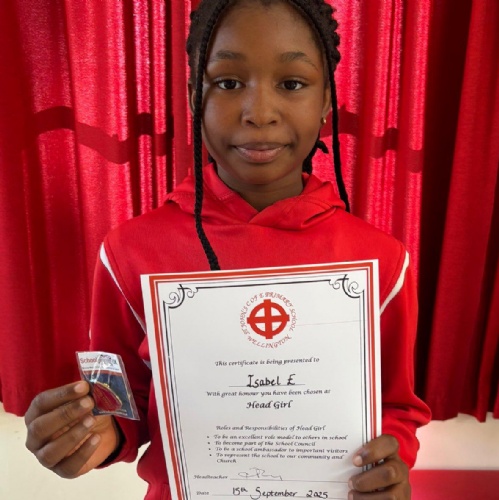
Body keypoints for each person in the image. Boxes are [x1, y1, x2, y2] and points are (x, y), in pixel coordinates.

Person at [24, 0, 431, 498]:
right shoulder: (129, 252)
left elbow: (396, 407)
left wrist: (391, 463)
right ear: (193, 96)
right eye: (228, 82)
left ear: (327, 101)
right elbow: (123, 405)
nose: (259, 114)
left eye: (292, 84)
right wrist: (90, 435)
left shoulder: (380, 261)